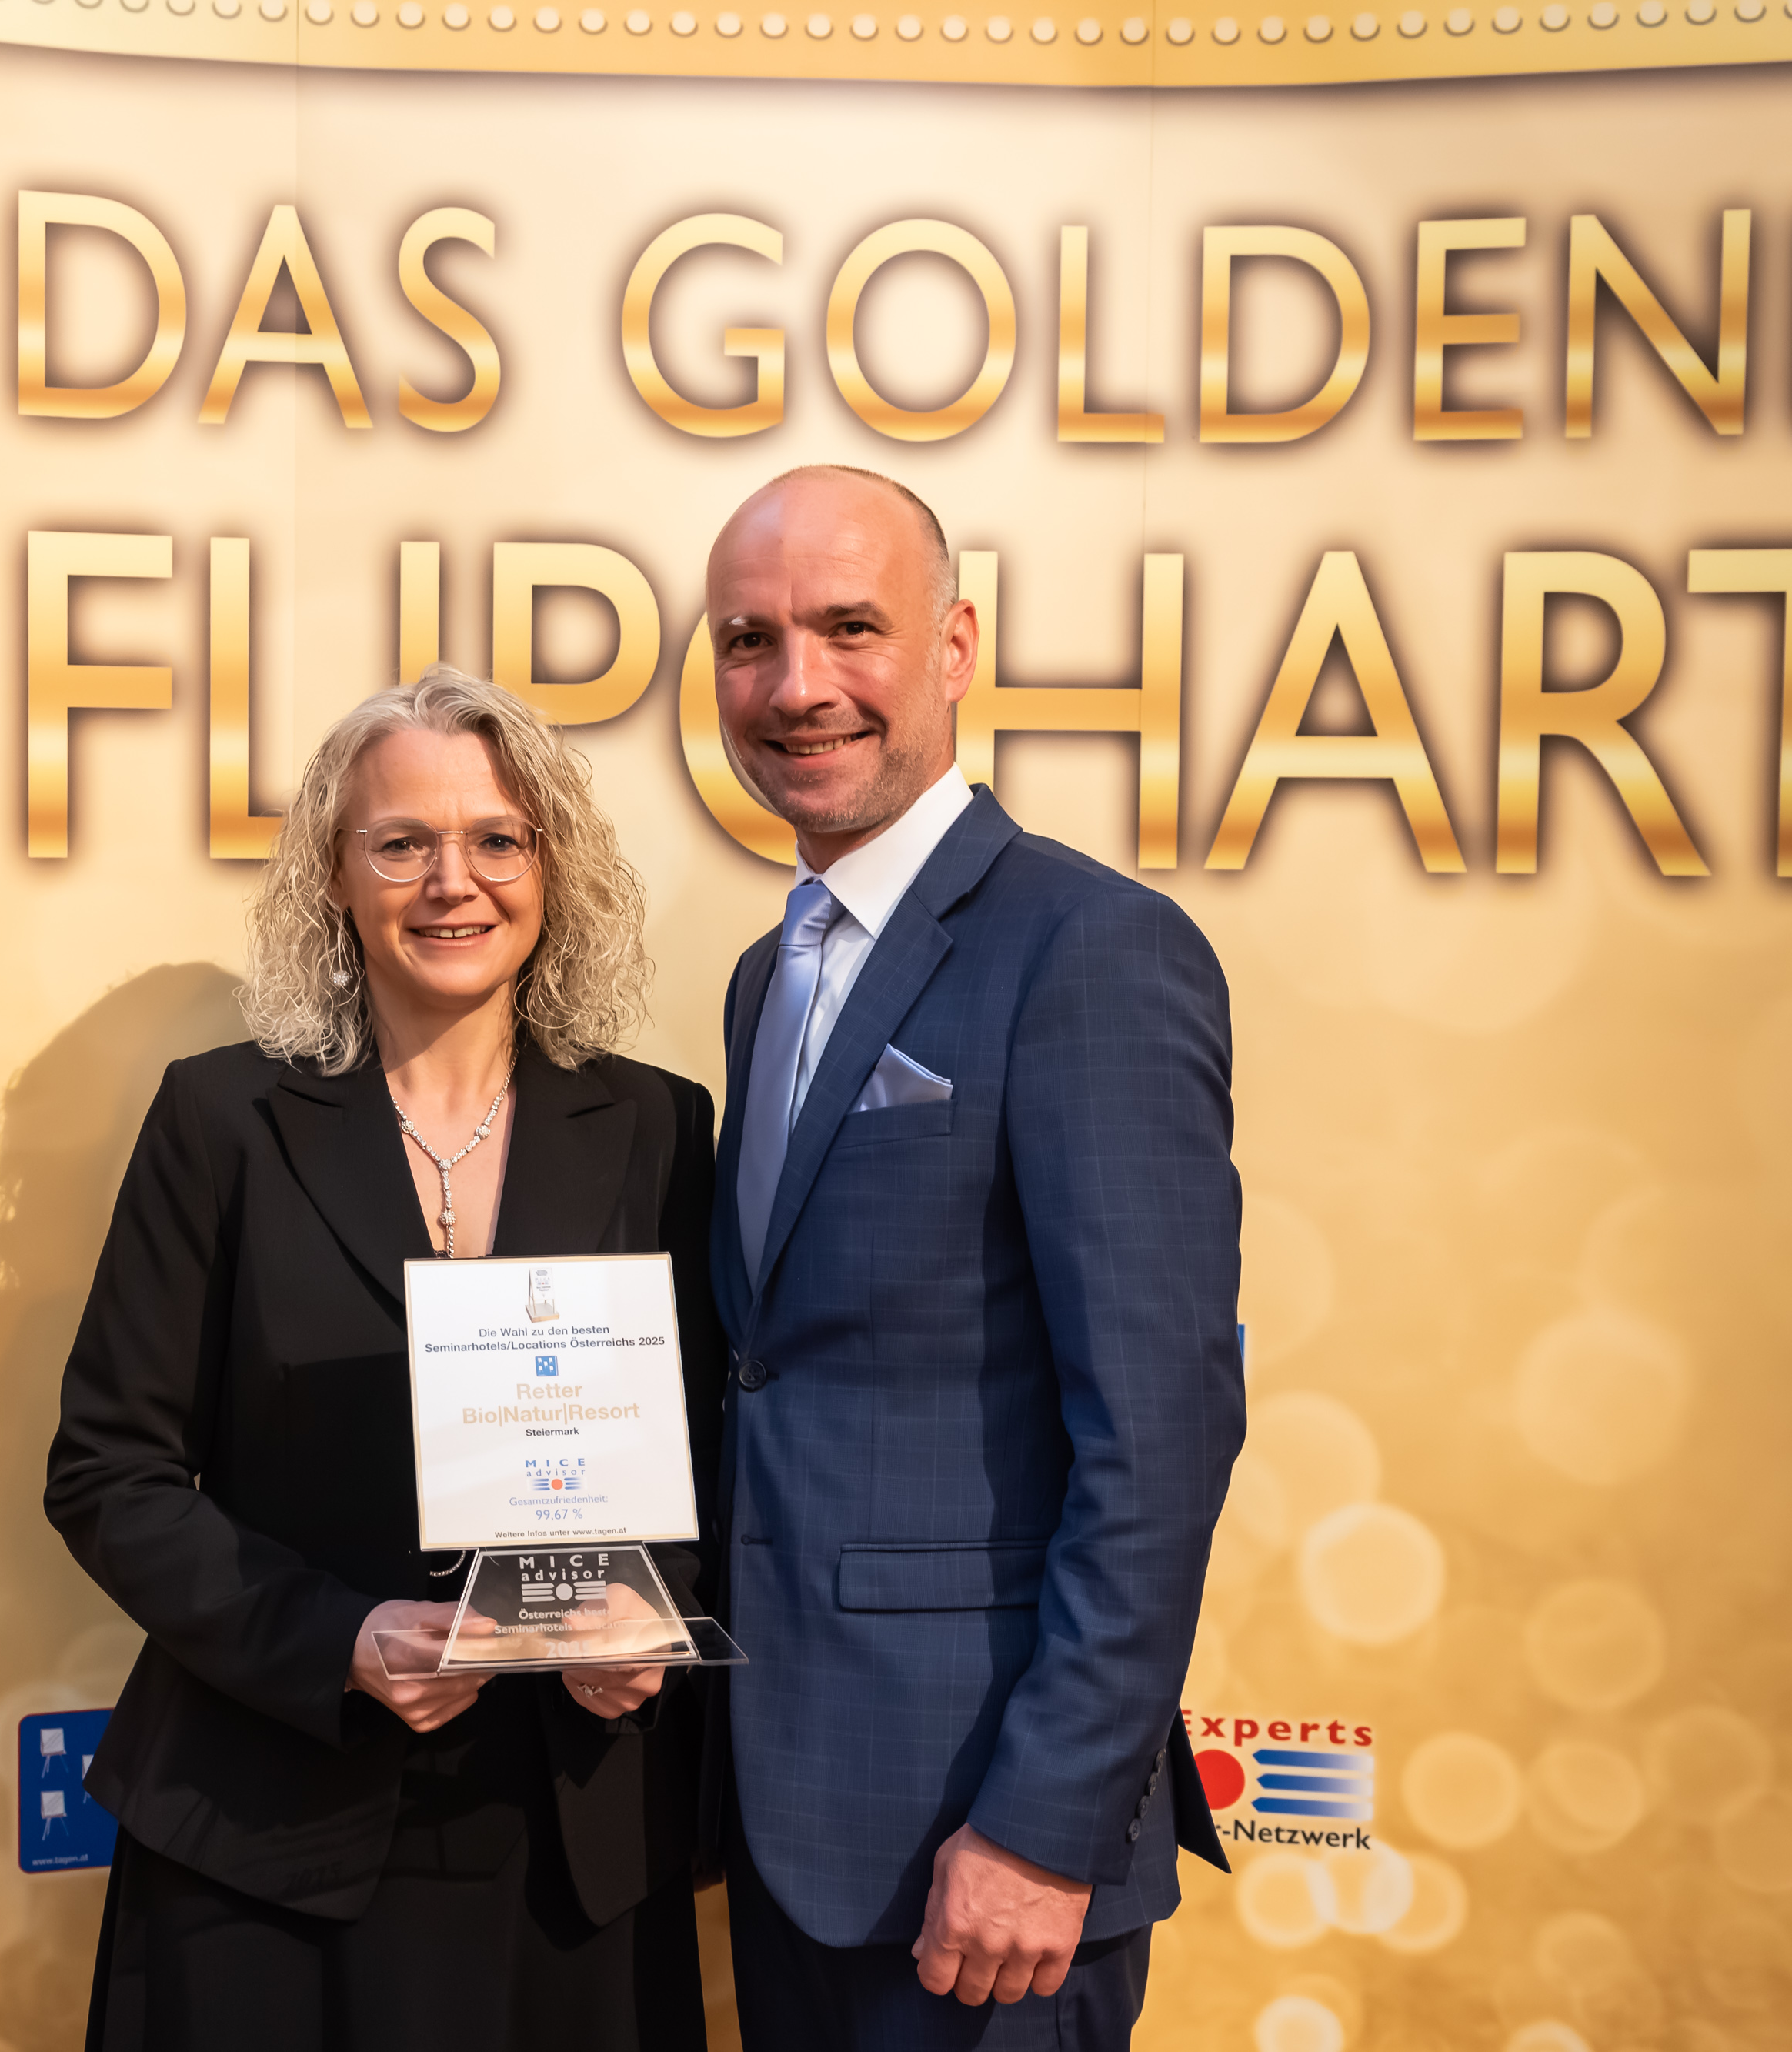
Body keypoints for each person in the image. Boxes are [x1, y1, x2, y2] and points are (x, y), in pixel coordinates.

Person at [42, 667, 722, 2051]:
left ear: (551, 869)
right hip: (269, 1832)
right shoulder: (222, 1121)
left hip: (570, 1846)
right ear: (335, 878)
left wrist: (648, 1623)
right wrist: (336, 1641)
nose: (452, 882)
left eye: (497, 840)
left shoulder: (660, 1128)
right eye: (402, 842)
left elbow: (714, 1456)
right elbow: (110, 1473)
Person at [701, 467, 1244, 2049]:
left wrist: (1042, 1822)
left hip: (988, 1854)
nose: (796, 686)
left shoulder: (1088, 947)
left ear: (953, 645)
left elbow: (1158, 1431)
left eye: (848, 628)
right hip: (788, 1821)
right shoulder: (767, 977)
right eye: (750, 641)